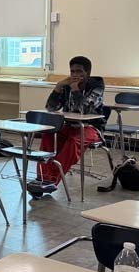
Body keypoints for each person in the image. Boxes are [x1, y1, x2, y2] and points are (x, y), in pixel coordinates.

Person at [32, 55, 106, 197]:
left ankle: (50, 180)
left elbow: (85, 110)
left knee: (73, 142)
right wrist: (58, 87)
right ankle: (42, 179)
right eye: (72, 71)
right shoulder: (66, 85)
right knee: (48, 136)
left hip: (91, 127)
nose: (75, 75)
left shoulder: (97, 85)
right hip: (69, 125)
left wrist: (76, 90)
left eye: (79, 72)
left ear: (88, 73)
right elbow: (51, 108)